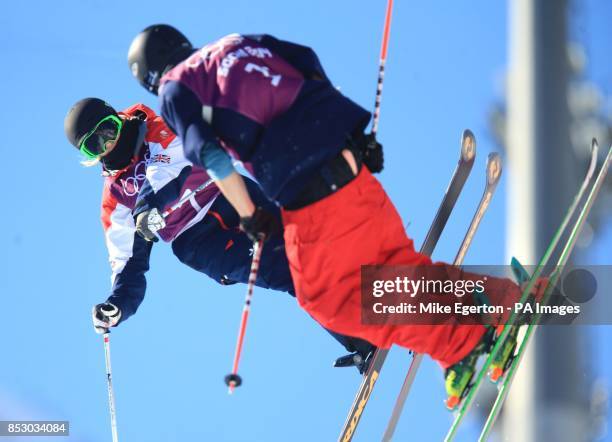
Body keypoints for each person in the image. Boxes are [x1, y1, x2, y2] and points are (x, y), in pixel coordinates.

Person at [126, 25, 547, 408]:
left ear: (150, 76)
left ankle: (463, 338)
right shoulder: (237, 43)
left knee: (335, 301)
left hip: (308, 193)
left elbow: (210, 154)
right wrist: (352, 136)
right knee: (394, 274)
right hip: (350, 168)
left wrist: (249, 212)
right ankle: (491, 315)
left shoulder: (176, 87)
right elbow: (306, 60)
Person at [63, 97, 374, 370]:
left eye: (109, 130)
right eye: (96, 144)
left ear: (118, 117)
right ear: (89, 157)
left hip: (229, 195)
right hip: (199, 241)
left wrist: (148, 208)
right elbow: (128, 260)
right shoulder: (115, 199)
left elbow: (173, 163)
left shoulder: (154, 126)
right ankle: (360, 336)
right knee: (286, 269)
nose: (108, 144)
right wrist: (118, 304)